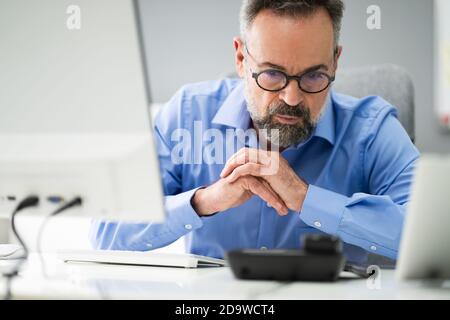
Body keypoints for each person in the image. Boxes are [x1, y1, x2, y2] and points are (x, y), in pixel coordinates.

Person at [90, 0, 419, 264]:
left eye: (314, 77)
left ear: (335, 62)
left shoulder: (372, 130)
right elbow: (105, 232)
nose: (292, 98)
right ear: (241, 58)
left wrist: (307, 199)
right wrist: (204, 201)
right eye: (272, 75)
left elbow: (435, 236)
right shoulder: (188, 113)